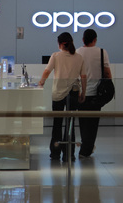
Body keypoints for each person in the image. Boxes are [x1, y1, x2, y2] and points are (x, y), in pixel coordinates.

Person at [39, 32, 87, 162]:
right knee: (70, 123)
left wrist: (41, 82)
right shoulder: (79, 57)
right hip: (73, 92)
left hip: (58, 93)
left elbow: (47, 71)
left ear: (60, 44)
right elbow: (83, 77)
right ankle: (69, 154)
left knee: (57, 124)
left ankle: (55, 153)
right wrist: (83, 93)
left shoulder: (56, 56)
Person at [76, 29, 112, 158]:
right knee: (93, 123)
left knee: (83, 121)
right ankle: (86, 149)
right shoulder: (102, 52)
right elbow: (107, 73)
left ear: (83, 40)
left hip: (81, 92)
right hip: (97, 93)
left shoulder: (78, 52)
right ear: (95, 39)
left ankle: (86, 146)